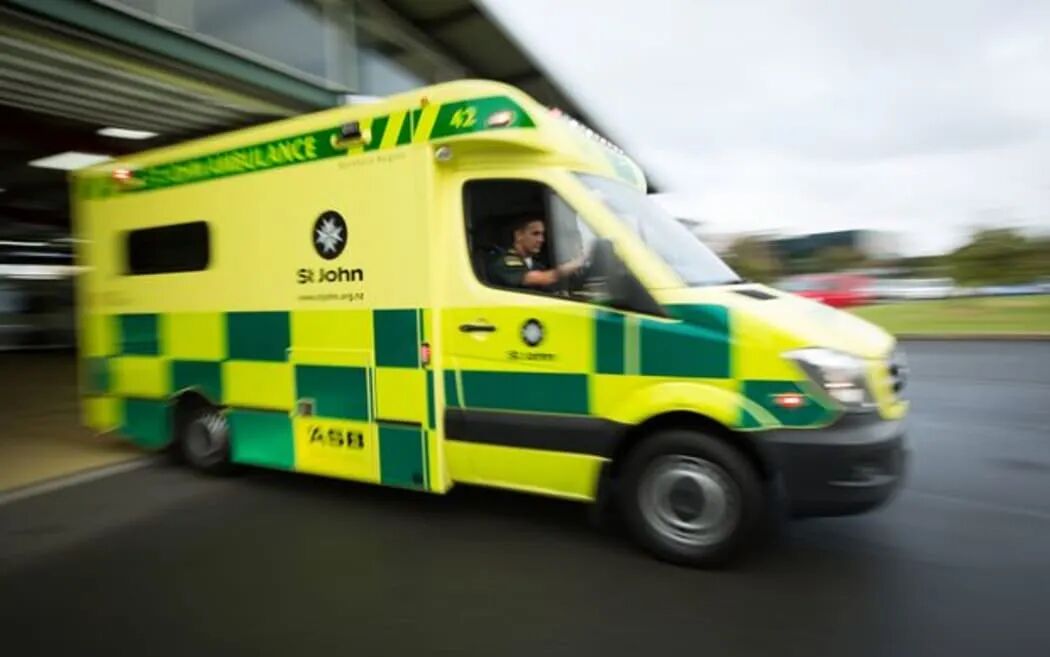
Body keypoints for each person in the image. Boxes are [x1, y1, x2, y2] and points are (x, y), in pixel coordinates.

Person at [486, 215, 585, 291]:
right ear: (518, 235)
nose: (541, 239)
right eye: (535, 234)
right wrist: (578, 262)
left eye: (542, 234)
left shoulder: (537, 265)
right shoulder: (504, 263)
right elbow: (543, 278)